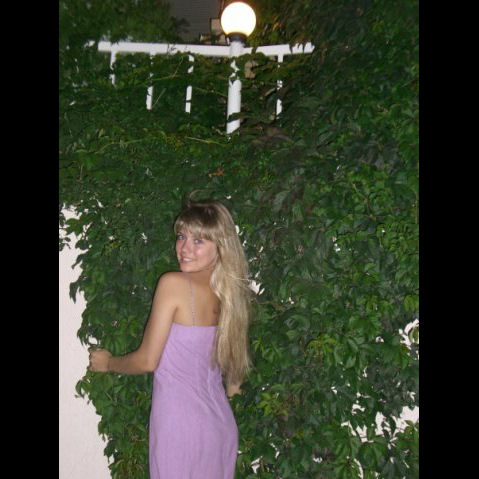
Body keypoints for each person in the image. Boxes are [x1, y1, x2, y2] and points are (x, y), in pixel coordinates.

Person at [89, 199, 252, 479]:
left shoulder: (174, 284)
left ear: (220, 247)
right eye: (181, 237)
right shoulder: (230, 296)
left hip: (180, 430)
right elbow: (234, 381)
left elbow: (147, 361)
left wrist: (108, 363)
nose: (184, 248)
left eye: (198, 241)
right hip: (219, 428)